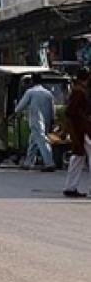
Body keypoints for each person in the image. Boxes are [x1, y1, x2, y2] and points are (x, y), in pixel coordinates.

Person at [15, 77, 56, 172]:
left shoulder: (30, 92)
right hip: (46, 121)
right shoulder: (48, 93)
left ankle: (49, 163)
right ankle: (28, 163)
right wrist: (52, 120)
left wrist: (16, 111)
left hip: (36, 120)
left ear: (32, 82)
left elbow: (20, 107)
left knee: (42, 141)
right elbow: (53, 110)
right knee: (33, 142)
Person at [63, 68, 91, 197]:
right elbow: (72, 112)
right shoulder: (79, 92)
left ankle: (70, 187)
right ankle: (70, 187)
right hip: (82, 129)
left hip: (79, 129)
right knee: (80, 157)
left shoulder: (77, 91)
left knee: (78, 158)